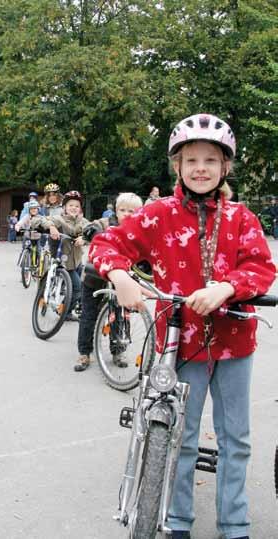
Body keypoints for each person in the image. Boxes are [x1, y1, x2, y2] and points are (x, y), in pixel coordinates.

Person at [88, 113, 276, 539]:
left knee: (236, 440)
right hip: (180, 344)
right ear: (177, 166)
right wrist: (118, 275)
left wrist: (227, 287)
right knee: (179, 436)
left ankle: (234, 523)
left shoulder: (242, 218)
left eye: (210, 159)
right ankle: (177, 521)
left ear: (225, 166)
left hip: (234, 343)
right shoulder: (157, 215)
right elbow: (106, 244)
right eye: (191, 159)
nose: (201, 168)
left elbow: (262, 267)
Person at [74, 192, 143, 372]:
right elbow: (89, 227)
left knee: (120, 315)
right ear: (115, 211)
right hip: (95, 277)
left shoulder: (139, 230)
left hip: (121, 281)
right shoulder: (106, 223)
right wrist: (96, 234)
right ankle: (84, 352)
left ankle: (118, 351)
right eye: (122, 210)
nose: (127, 214)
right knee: (89, 315)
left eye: (132, 211)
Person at [31, 190, 107, 322]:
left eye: (77, 206)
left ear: (80, 209)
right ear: (64, 207)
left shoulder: (82, 222)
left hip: (76, 261)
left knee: (84, 286)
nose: (74, 208)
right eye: (70, 205)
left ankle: (68, 307)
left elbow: (94, 228)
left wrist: (84, 238)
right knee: (77, 288)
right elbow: (38, 220)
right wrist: (51, 227)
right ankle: (65, 313)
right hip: (62, 261)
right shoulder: (59, 219)